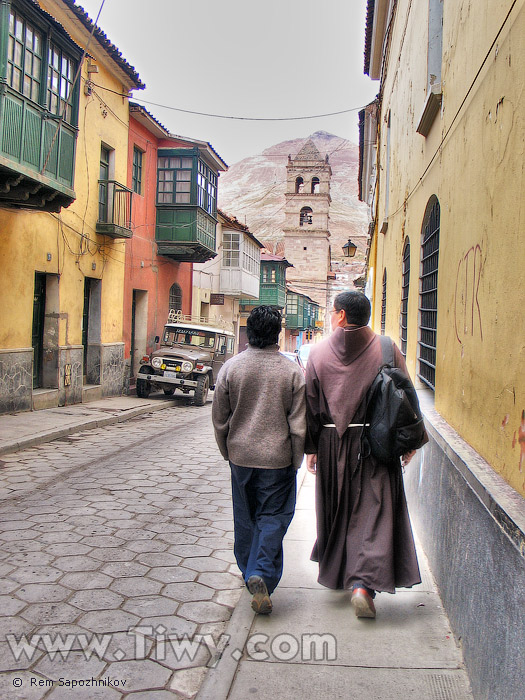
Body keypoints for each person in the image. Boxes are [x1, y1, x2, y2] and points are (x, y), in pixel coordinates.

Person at [305, 291, 427, 618]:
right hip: (377, 443)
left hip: (332, 444)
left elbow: (312, 406)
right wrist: (411, 441)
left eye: (333, 312)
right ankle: (363, 585)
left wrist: (313, 448)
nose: (332, 316)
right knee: (375, 514)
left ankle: (345, 573)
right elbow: (405, 397)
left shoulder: (317, 354)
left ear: (342, 315)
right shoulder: (387, 349)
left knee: (338, 511)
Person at [212, 306, 306, 614]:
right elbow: (298, 424)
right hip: (277, 460)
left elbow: (220, 419)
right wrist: (296, 459)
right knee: (273, 517)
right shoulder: (291, 371)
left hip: (241, 457)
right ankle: (261, 572)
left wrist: (228, 451)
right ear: (277, 334)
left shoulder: (231, 368)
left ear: (249, 332)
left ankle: (249, 572)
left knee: (246, 517)